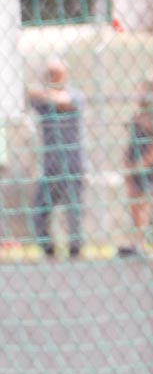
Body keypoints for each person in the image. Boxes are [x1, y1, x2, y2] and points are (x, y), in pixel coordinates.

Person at [27, 57, 87, 260]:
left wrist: (48, 93)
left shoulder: (75, 96)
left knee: (74, 210)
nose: (54, 77)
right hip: (51, 165)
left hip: (74, 163)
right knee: (41, 207)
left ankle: (75, 248)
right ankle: (48, 246)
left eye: (58, 73)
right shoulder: (43, 101)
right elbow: (32, 96)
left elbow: (64, 102)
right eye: (51, 73)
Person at [119, 80, 153, 257]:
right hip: (135, 163)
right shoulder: (138, 116)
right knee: (135, 204)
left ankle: (145, 242)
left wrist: (141, 165)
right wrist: (128, 164)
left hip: (148, 166)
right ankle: (137, 242)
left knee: (145, 204)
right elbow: (131, 143)